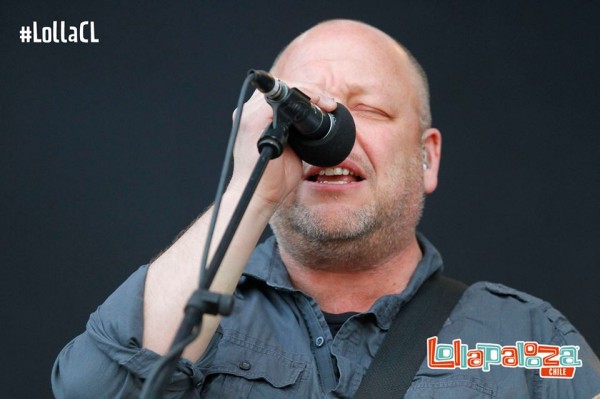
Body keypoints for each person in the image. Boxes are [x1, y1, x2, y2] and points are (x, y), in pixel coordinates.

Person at [52, 19, 600, 398]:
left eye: (370, 109)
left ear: (427, 157)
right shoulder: (197, 314)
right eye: (307, 112)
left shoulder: (530, 341)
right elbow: (95, 389)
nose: (331, 134)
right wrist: (252, 187)